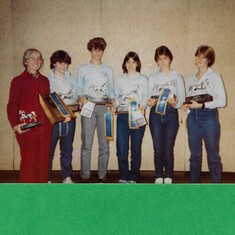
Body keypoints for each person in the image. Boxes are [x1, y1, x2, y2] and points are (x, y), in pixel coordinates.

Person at [7, 48, 52, 183]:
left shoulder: (45, 80)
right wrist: (15, 125)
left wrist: (60, 114)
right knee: (29, 161)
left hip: (45, 128)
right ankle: (26, 195)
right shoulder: (18, 81)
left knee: (44, 162)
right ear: (26, 62)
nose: (36, 61)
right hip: (27, 127)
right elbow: (12, 104)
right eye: (32, 58)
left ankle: (42, 194)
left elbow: (48, 104)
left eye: (39, 58)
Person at [182, 45, 226, 183]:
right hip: (193, 119)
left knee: (213, 156)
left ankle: (216, 190)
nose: (199, 59)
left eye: (203, 57)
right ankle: (194, 189)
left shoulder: (215, 76)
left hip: (209, 117)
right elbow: (191, 99)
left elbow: (222, 101)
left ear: (209, 60)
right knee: (194, 156)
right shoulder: (191, 78)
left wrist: (202, 105)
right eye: (198, 56)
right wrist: (187, 108)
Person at [77, 37, 114, 183]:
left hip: (104, 108)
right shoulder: (82, 69)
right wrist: (80, 97)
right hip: (88, 108)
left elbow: (111, 90)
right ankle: (85, 176)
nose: (97, 53)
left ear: (103, 51)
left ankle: (102, 175)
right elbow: (79, 88)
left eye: (100, 50)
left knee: (104, 144)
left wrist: (113, 99)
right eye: (94, 50)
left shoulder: (108, 69)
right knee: (86, 144)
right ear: (90, 50)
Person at [147, 45, 185, 184]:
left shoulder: (177, 77)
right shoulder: (152, 77)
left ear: (170, 59)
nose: (163, 61)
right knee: (157, 149)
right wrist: (149, 102)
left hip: (171, 114)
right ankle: (158, 176)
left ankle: (168, 176)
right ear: (156, 60)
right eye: (160, 59)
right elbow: (147, 100)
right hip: (155, 114)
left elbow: (181, 100)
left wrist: (175, 103)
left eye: (165, 58)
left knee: (168, 149)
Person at [115, 51, 148, 183]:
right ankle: (123, 176)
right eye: (128, 62)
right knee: (122, 149)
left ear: (137, 63)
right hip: (122, 117)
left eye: (133, 62)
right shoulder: (119, 79)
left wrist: (143, 106)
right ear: (124, 64)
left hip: (137, 117)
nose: (130, 64)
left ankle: (134, 176)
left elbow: (146, 97)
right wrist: (114, 104)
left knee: (136, 149)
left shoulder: (143, 79)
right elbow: (116, 98)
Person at [48, 50, 78, 183]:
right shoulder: (47, 79)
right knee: (49, 150)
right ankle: (47, 177)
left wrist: (80, 101)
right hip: (53, 120)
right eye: (60, 62)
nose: (63, 66)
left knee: (67, 150)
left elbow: (77, 96)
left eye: (65, 63)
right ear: (54, 63)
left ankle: (66, 176)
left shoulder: (72, 79)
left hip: (70, 118)